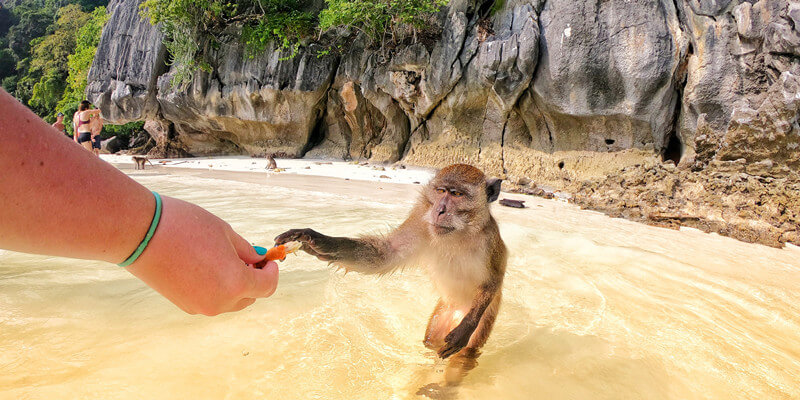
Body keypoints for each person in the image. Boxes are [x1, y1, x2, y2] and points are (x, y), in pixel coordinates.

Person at [0, 88, 280, 315]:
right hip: (87, 147)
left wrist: (152, 234)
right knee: (92, 158)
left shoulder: (76, 117)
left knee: (90, 157)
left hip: (77, 138)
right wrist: (154, 234)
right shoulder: (88, 114)